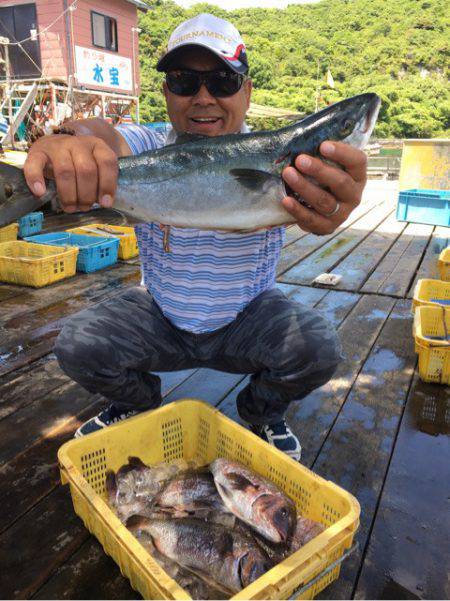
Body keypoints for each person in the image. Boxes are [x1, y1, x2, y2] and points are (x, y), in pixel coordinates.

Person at [24, 14, 369, 461]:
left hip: (249, 319)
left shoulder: (274, 155)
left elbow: (324, 204)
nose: (204, 97)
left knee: (318, 347)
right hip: (160, 314)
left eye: (223, 81)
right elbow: (105, 138)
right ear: (166, 91)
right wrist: (71, 139)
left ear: (246, 90)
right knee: (78, 343)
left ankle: (260, 412)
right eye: (185, 81)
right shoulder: (150, 144)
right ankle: (137, 402)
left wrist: (332, 204)